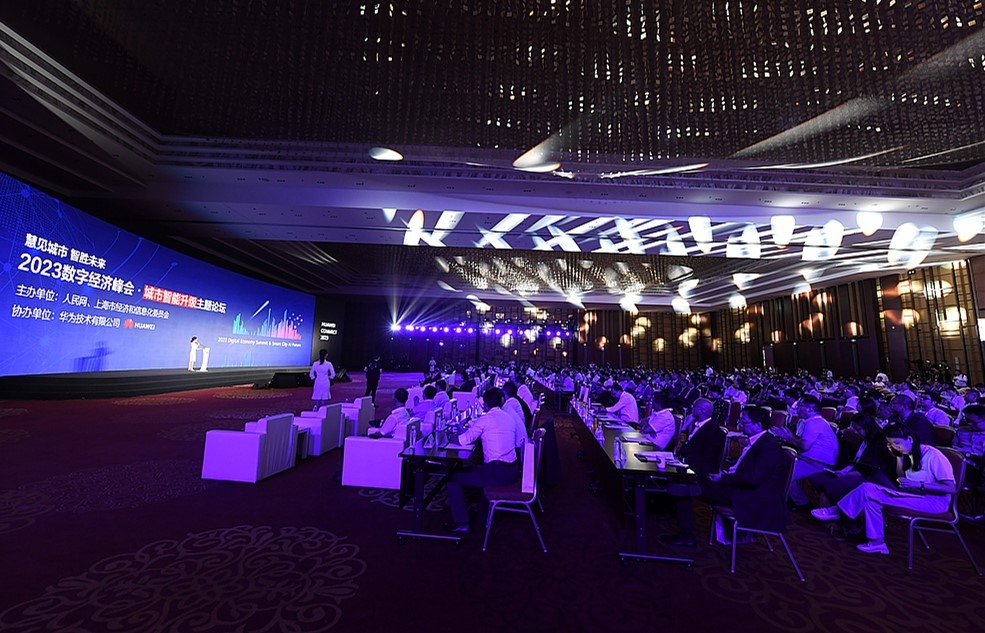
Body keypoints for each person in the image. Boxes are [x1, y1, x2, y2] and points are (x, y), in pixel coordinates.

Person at [820, 422, 955, 555]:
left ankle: (837, 510)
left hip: (934, 501)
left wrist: (919, 485)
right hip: (913, 494)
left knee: (867, 488)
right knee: (871, 501)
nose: (894, 447)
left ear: (909, 439)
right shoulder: (906, 454)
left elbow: (950, 488)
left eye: (897, 443)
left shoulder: (933, 455)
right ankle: (877, 543)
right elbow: (902, 479)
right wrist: (899, 460)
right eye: (890, 444)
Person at [666, 406, 788, 548]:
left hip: (754, 496)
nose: (740, 425)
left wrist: (723, 479)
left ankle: (686, 537)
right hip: (742, 487)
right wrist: (724, 476)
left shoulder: (769, 447)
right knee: (690, 480)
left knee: (687, 487)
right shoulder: (758, 442)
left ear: (758, 425)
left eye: (744, 421)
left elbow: (753, 478)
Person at [444, 388, 528, 533]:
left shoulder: (486, 419)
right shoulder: (508, 417)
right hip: (513, 470)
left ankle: (462, 523)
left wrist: (450, 437)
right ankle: (481, 515)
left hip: (497, 473)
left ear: (486, 405)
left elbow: (463, 440)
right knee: (471, 468)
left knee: (452, 478)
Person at [771, 395, 839, 508]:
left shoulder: (815, 423)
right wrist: (789, 437)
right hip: (810, 460)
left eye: (800, 406)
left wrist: (789, 437)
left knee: (782, 471)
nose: (796, 408)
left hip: (817, 464)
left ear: (809, 409)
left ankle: (802, 502)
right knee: (778, 464)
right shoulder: (813, 422)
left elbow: (804, 446)